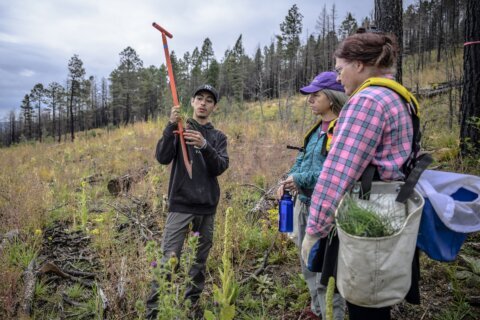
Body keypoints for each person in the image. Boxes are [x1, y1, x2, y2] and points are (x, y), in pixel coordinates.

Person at [302, 31, 418, 320]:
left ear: (359, 65)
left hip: (367, 215)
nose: (339, 78)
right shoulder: (398, 97)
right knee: (378, 298)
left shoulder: (367, 101)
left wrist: (314, 229)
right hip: (391, 210)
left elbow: (339, 172)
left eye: (340, 70)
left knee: (364, 302)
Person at [148, 84, 229, 319]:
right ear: (192, 102)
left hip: (206, 208)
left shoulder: (218, 137)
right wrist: (170, 125)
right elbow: (162, 158)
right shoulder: (180, 129)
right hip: (181, 205)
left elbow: (220, 167)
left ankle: (190, 307)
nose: (203, 103)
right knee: (169, 259)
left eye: (209, 100)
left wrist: (205, 146)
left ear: (214, 107)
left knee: (198, 262)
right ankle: (154, 311)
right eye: (199, 98)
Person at [277, 72, 347, 320]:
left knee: (326, 272)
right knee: (308, 264)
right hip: (305, 205)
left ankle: (331, 315)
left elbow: (334, 172)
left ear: (331, 97)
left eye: (315, 95)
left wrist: (298, 179)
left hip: (329, 212)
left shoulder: (342, 128)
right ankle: (317, 312)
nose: (310, 100)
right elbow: (302, 159)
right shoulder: (316, 130)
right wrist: (287, 179)